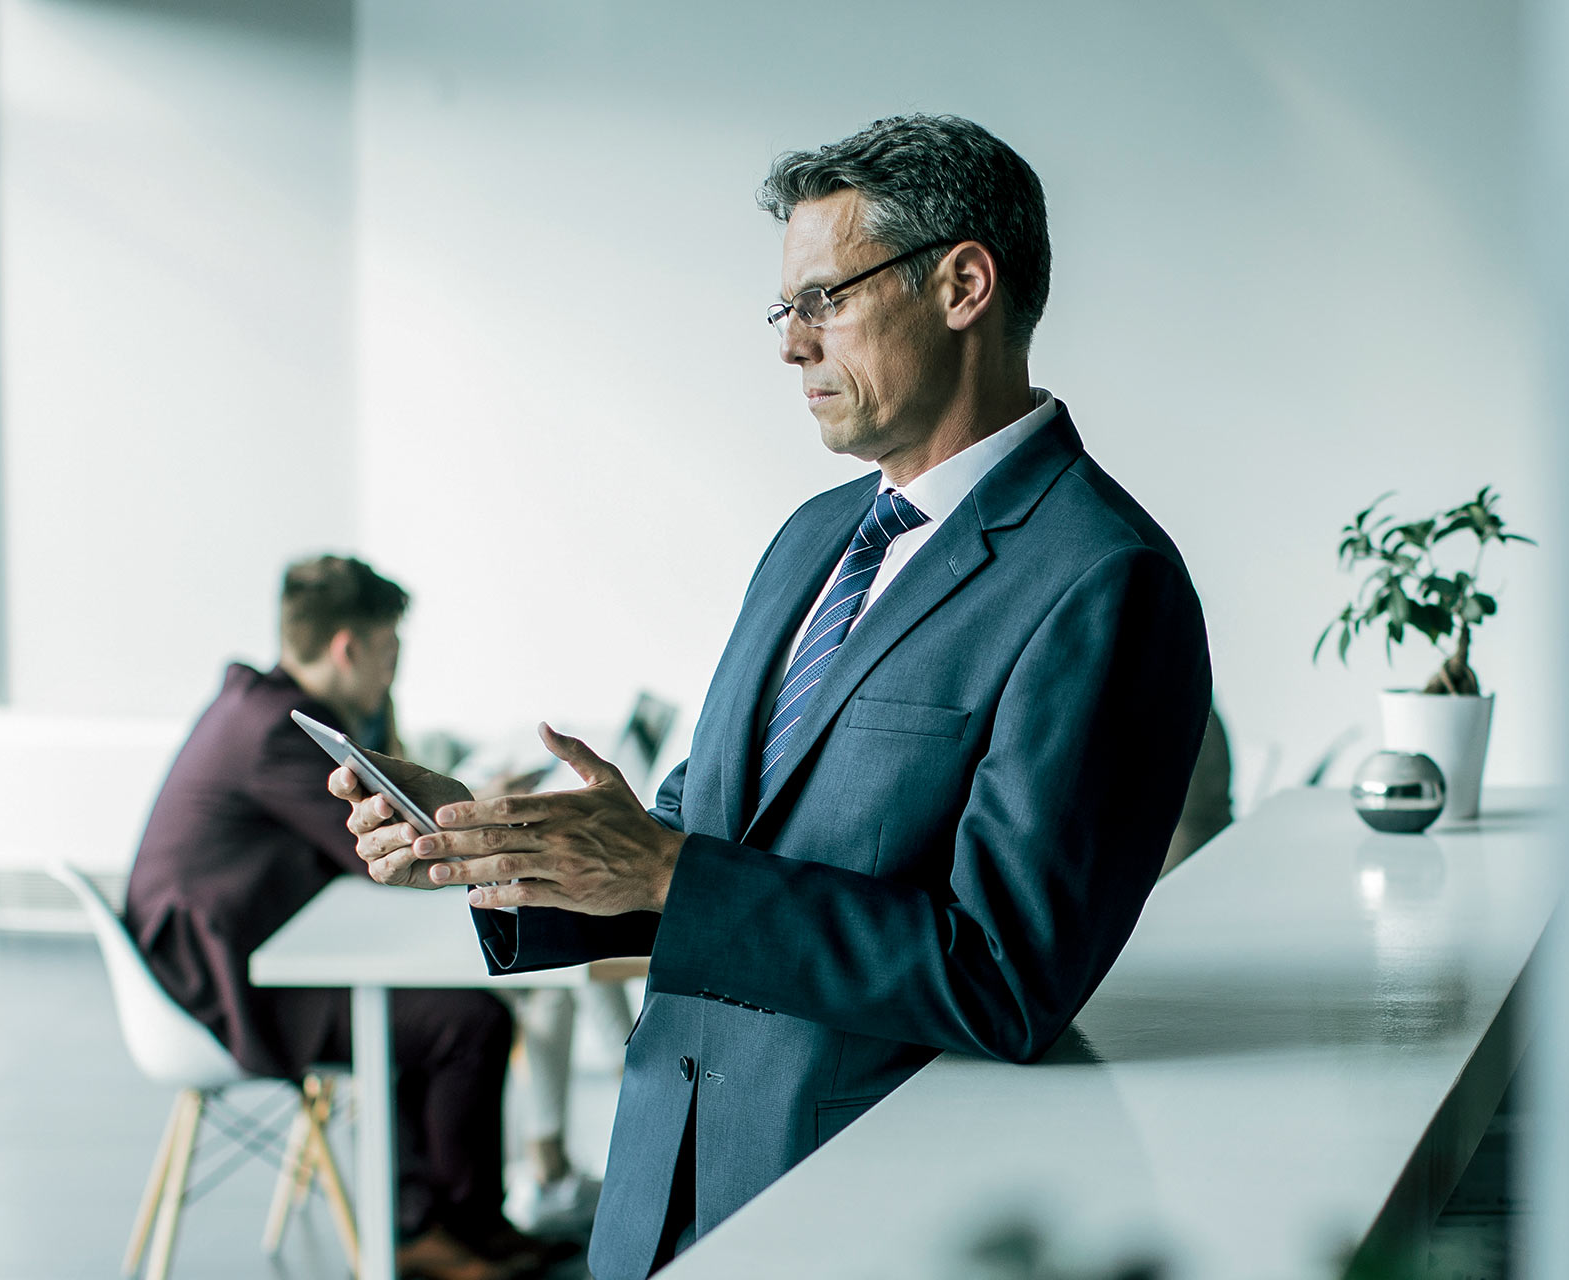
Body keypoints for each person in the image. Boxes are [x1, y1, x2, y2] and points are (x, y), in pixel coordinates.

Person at [332, 114, 1214, 1279]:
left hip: (859, 1209)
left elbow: (1004, 976)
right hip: (661, 1184)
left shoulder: (1104, 583)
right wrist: (505, 842)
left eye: (823, 300)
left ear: (962, 283)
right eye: (781, 310)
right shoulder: (812, 540)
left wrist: (665, 867)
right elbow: (706, 847)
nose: (790, 347)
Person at [124, 554, 563, 1280]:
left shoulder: (263, 706)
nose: (395, 670)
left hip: (232, 951)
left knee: (436, 1013)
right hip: (220, 983)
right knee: (468, 1023)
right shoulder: (279, 731)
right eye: (390, 651)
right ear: (347, 647)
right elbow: (376, 851)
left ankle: (462, 1224)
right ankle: (434, 1231)